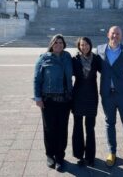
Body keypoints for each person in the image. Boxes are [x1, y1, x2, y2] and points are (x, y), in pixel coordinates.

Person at [97, 26, 123, 171]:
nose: (115, 36)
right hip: (107, 94)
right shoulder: (100, 50)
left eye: (118, 34)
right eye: (113, 33)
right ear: (108, 34)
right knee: (109, 123)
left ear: (121, 36)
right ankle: (112, 152)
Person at [33, 34, 72, 172]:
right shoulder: (43, 58)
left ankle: (60, 156)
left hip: (64, 100)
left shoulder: (68, 57)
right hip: (48, 100)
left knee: (62, 129)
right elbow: (37, 79)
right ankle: (50, 155)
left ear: (64, 44)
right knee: (49, 129)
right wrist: (37, 97)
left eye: (61, 43)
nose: (58, 45)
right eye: (56, 43)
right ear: (51, 44)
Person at [72, 37, 101, 167]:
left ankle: (90, 156)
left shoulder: (96, 59)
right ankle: (79, 155)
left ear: (90, 45)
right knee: (77, 126)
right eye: (82, 45)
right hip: (77, 96)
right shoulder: (74, 59)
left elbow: (107, 72)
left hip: (91, 97)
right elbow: (65, 74)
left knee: (90, 128)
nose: (84, 47)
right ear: (79, 46)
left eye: (86, 44)